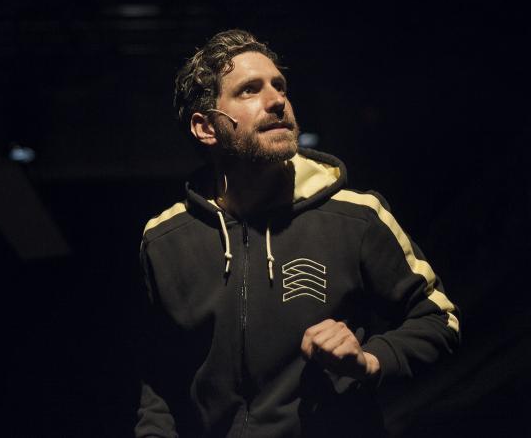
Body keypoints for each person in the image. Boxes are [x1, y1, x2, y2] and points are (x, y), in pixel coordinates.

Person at [136, 29, 460, 437]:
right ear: (206, 128)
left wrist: (370, 360)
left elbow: (439, 319)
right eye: (250, 90)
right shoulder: (165, 240)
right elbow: (160, 379)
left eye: (280, 86)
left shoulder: (356, 217)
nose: (277, 101)